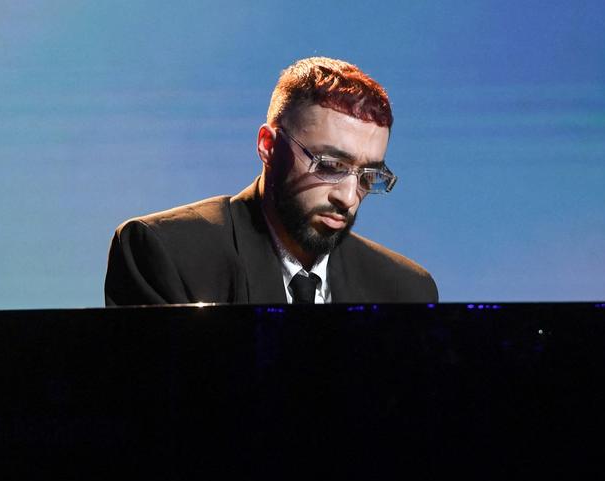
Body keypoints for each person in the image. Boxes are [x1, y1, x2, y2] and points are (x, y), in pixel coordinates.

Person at [104, 57, 438, 305]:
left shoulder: (406, 290)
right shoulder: (166, 252)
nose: (348, 198)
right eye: (331, 166)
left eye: (369, 176)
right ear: (268, 146)